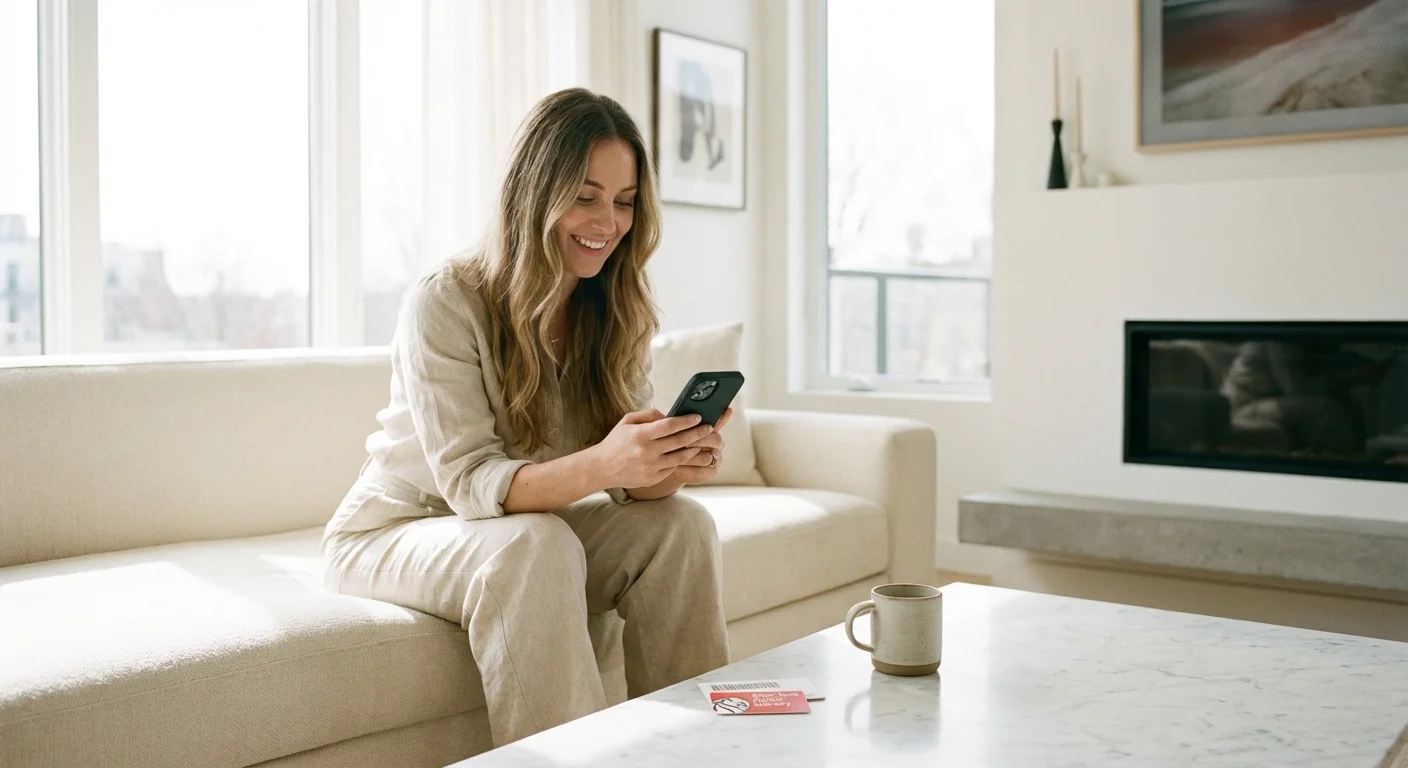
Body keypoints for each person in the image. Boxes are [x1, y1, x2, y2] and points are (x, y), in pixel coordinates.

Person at [321, 88, 731, 746]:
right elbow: (470, 483)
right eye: (585, 195)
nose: (608, 221)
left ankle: (701, 753)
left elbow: (633, 489)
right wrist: (605, 462)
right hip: (399, 527)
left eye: (625, 202)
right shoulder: (447, 300)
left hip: (529, 527)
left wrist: (672, 461)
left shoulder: (612, 308)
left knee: (680, 527)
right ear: (535, 191)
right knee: (535, 545)